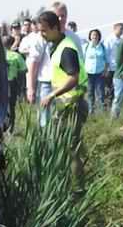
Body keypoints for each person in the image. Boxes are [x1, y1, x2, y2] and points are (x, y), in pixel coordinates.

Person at [37, 11, 88, 184]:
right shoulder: (57, 46)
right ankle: (71, 179)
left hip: (73, 106)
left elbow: (73, 78)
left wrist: (51, 95)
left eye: (44, 30)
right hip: (65, 105)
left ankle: (77, 188)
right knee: (66, 145)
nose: (42, 34)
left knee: (71, 148)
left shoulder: (66, 49)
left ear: (54, 28)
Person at [4, 34, 27, 132]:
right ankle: (11, 127)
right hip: (11, 83)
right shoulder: (16, 56)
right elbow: (24, 69)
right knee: (11, 106)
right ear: (12, 44)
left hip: (0, 83)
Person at [84, 29, 107, 114]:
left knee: (100, 92)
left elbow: (106, 60)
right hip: (89, 73)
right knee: (90, 93)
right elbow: (82, 59)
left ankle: (101, 112)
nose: (94, 36)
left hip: (100, 73)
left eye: (96, 35)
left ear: (99, 37)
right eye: (93, 35)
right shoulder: (86, 46)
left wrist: (105, 70)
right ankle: (91, 110)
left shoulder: (102, 47)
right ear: (90, 36)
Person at [102, 23, 122, 106]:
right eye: (120, 29)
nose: (121, 31)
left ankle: (113, 104)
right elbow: (106, 53)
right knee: (108, 87)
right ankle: (106, 104)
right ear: (115, 29)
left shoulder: (121, 40)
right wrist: (106, 67)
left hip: (118, 68)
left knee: (116, 87)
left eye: (122, 29)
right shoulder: (109, 39)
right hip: (110, 68)